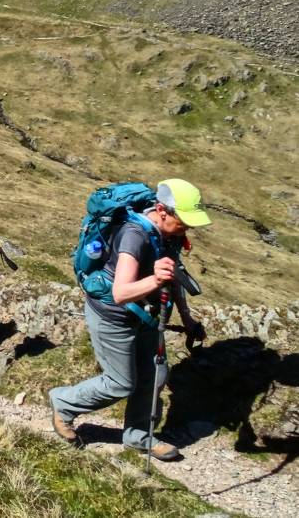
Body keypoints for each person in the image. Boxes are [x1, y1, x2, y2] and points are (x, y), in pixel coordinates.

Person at [49, 178, 210, 461]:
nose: (188, 227)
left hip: (145, 317)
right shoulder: (134, 234)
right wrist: (155, 278)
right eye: (184, 220)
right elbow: (121, 293)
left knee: (156, 375)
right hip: (114, 317)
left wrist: (187, 319)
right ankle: (63, 403)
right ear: (161, 210)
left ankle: (138, 436)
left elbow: (174, 276)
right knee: (120, 383)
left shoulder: (167, 235)